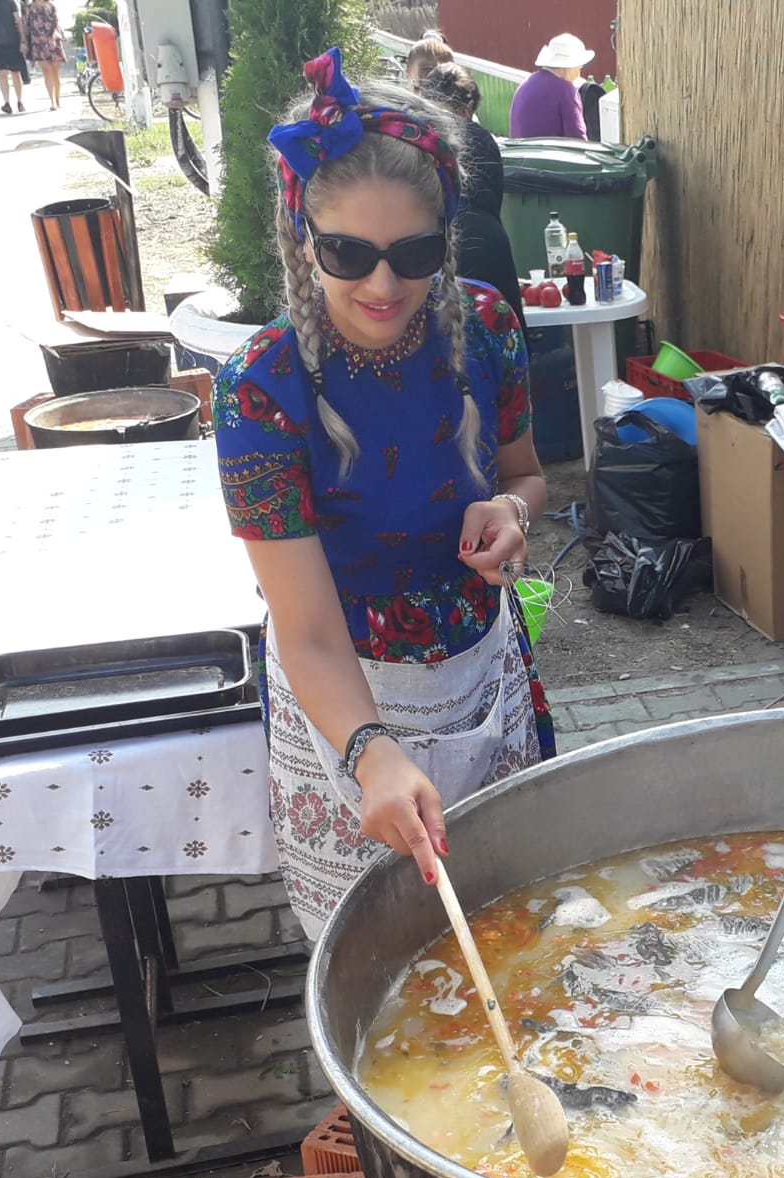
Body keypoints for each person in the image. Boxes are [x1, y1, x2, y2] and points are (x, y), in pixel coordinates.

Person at [214, 47, 553, 940]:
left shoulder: (486, 326)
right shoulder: (260, 387)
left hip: (479, 669)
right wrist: (372, 756)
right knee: (377, 966)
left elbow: (526, 473)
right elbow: (308, 632)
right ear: (303, 237)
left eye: (414, 253)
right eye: (347, 252)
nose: (382, 284)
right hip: (343, 700)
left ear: (447, 236)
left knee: (507, 931)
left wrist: (513, 513)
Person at [418, 60, 527, 330]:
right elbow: (494, 199)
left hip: (431, 242)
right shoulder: (480, 136)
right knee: (503, 335)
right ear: (469, 108)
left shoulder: (415, 137)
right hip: (487, 242)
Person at [508, 32, 592, 140]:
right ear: (567, 67)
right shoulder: (566, 90)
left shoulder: (527, 83)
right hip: (549, 150)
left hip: (520, 149)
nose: (579, 73)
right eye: (579, 67)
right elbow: (577, 138)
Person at [23, 0, 61, 108]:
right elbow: (26, 27)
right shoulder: (29, 8)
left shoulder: (50, 6)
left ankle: (58, 100)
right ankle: (52, 101)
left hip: (52, 41)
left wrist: (53, 38)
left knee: (55, 72)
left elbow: (56, 23)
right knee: (46, 70)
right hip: (37, 43)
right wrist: (24, 42)